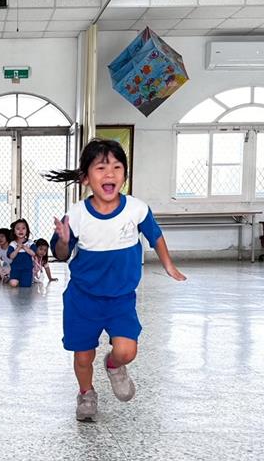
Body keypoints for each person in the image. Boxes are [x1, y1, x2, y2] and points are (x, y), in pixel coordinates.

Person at [46, 137, 185, 423]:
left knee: (127, 351)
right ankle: (86, 393)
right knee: (83, 356)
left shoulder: (136, 209)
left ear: (124, 175)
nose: (109, 173)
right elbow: (61, 254)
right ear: (86, 178)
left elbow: (155, 235)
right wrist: (63, 241)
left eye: (117, 167)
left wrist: (169, 265)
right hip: (83, 298)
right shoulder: (77, 214)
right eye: (101, 168)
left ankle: (113, 366)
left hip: (121, 297)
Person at [7, 218, 35, 288]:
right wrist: (18, 248)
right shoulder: (13, 243)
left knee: (25, 285)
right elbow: (11, 256)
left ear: (27, 230)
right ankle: (10, 278)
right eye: (18, 229)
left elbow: (33, 253)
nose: (21, 230)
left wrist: (25, 248)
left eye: (23, 228)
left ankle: (25, 279)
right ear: (14, 231)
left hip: (27, 269)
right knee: (13, 284)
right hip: (15, 269)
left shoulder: (30, 242)